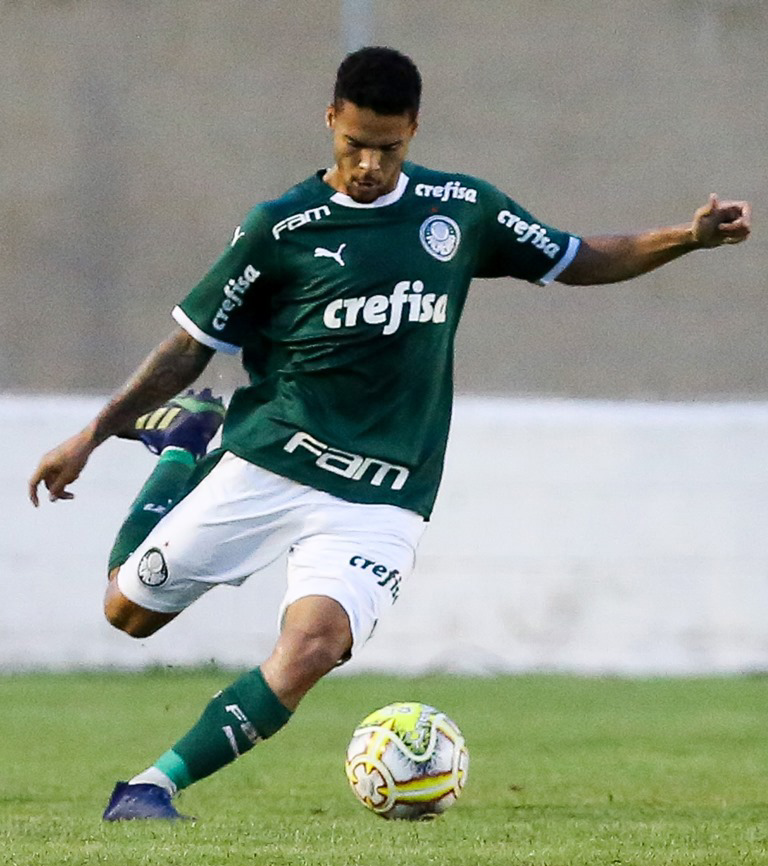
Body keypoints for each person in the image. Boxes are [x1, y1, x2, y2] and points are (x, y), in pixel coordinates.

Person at [28, 46, 751, 821]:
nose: (369, 164)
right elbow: (190, 344)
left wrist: (688, 237)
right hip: (272, 459)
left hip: (384, 494)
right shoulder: (281, 228)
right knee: (128, 613)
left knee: (313, 647)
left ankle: (150, 788)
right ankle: (182, 447)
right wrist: (94, 434)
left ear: (413, 130)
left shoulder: (460, 209)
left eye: (388, 147)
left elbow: (576, 257)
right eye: (355, 144)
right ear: (330, 120)